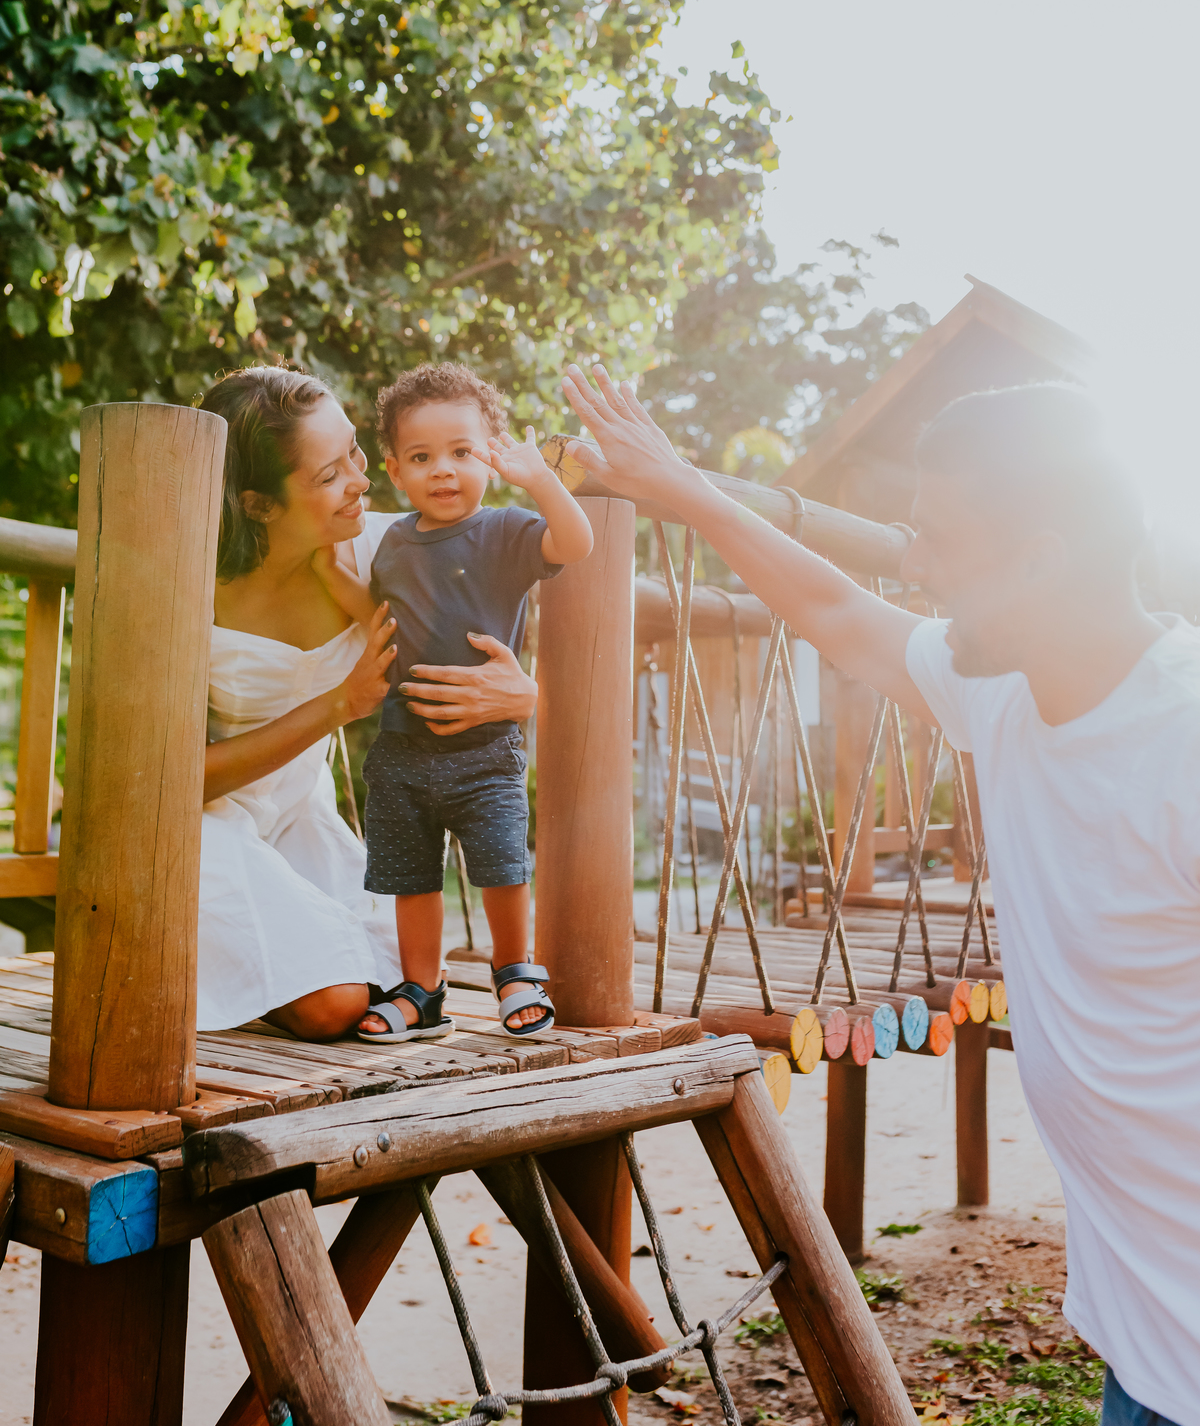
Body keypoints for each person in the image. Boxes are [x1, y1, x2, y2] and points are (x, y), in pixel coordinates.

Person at [561, 364, 1200, 1426]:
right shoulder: (1003, 685)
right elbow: (838, 613)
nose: (912, 560)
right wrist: (683, 485)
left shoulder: (1182, 739)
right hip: (1146, 1344)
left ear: (1036, 562)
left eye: (936, 535)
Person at [197, 365, 538, 1039]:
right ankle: (204, 956)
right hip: (197, 825)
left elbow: (517, 613)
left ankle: (249, 960)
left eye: (354, 452)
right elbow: (168, 782)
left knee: (395, 975)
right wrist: (336, 707)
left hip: (299, 817)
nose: (361, 480)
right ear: (259, 502)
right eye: (330, 475)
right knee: (335, 1005)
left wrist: (528, 693)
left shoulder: (389, 545)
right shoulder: (190, 581)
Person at [315, 361, 593, 1042]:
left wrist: (541, 479)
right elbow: (375, 614)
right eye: (422, 457)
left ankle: (515, 971)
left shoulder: (506, 530)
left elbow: (577, 543)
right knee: (414, 879)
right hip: (402, 749)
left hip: (485, 750)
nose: (443, 470)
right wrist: (326, 570)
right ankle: (422, 989)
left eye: (462, 452)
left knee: (501, 865)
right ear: (395, 470)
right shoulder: (395, 541)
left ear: (491, 457)